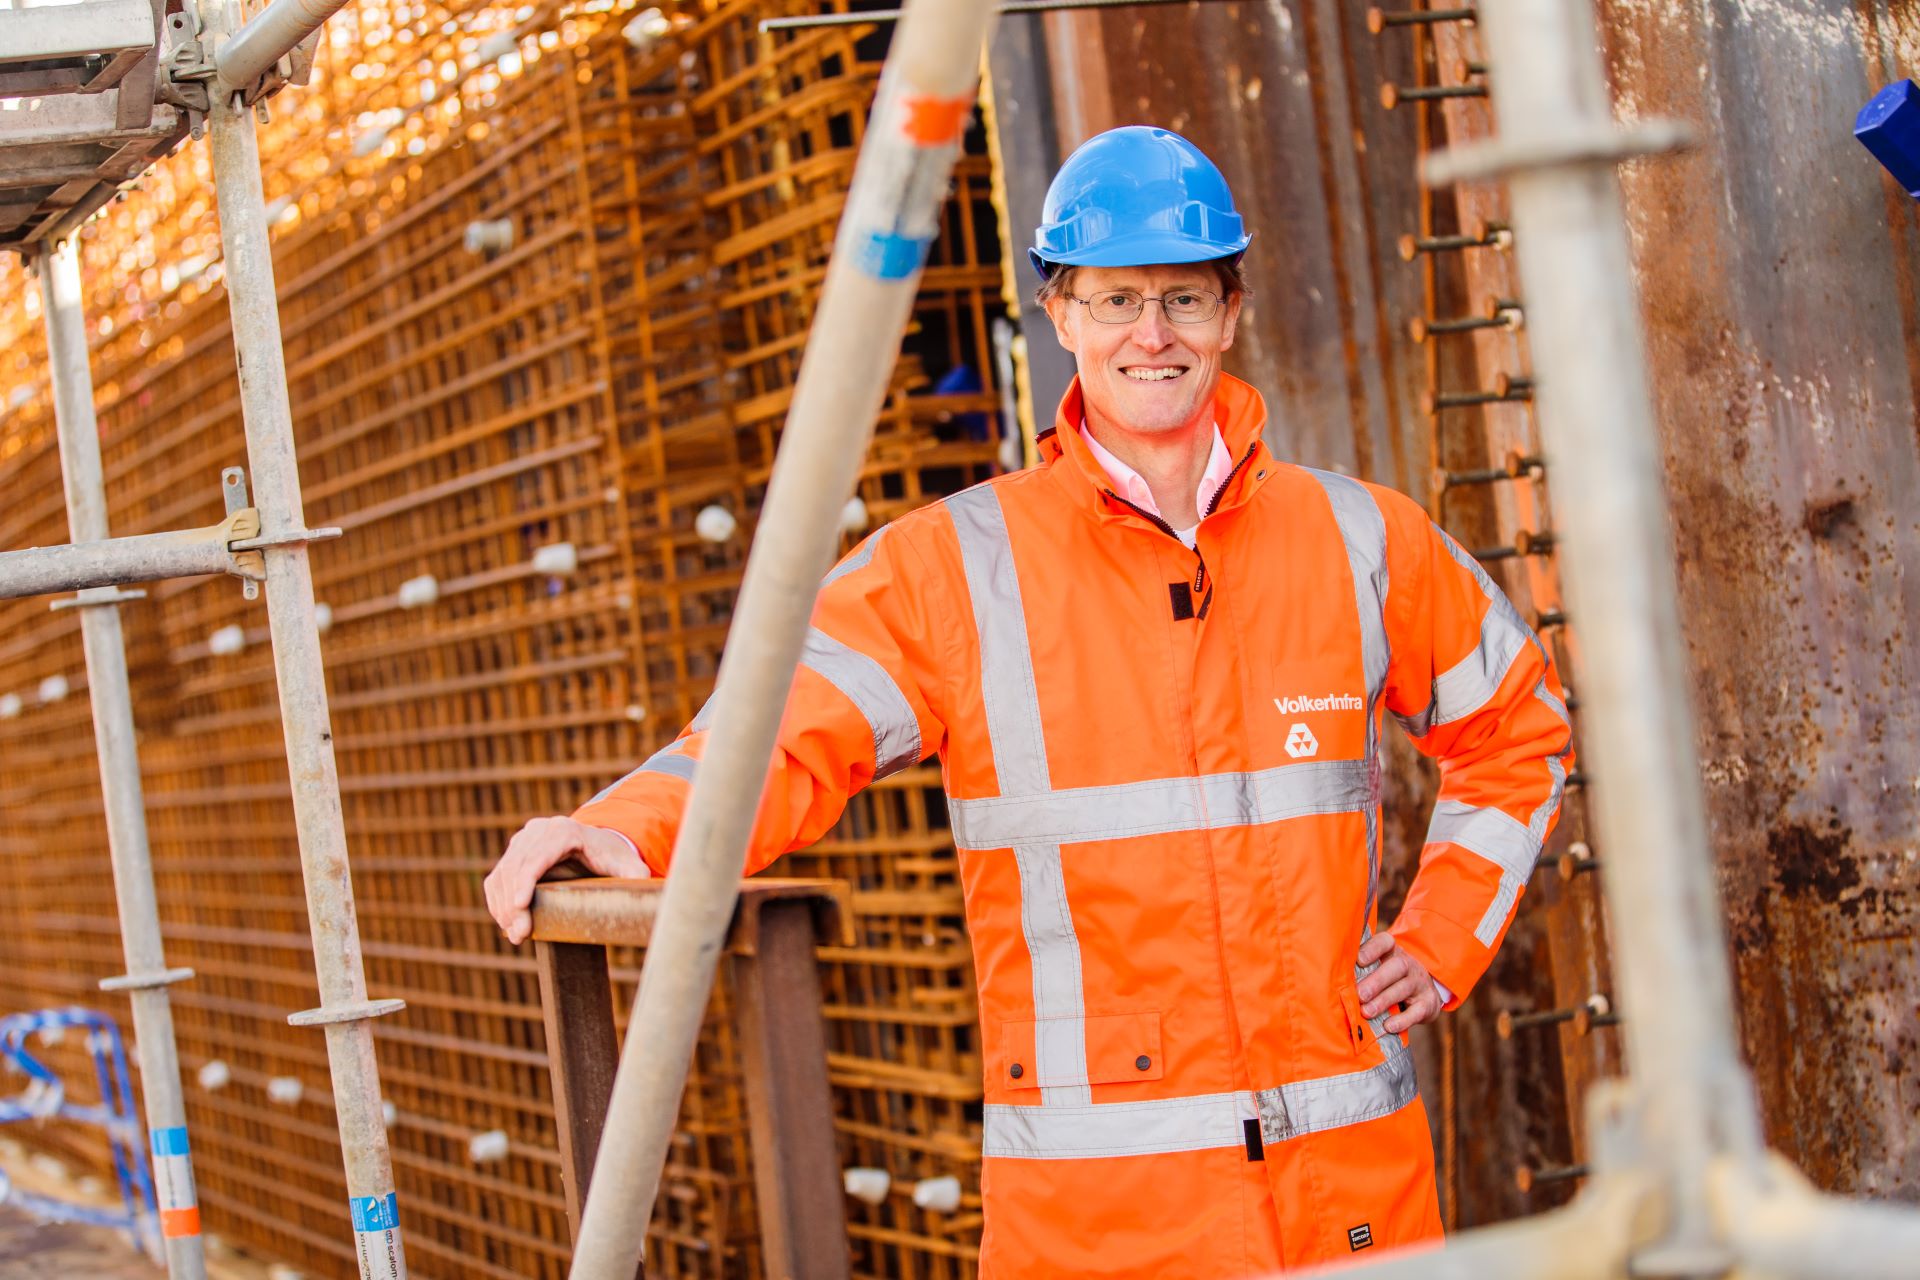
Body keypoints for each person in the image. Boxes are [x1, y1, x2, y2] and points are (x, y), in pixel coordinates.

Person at [485, 125, 1571, 1276]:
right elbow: (776, 737)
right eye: (1115, 301)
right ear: (1060, 317)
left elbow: (1519, 730)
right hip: (1104, 1228)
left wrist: (1440, 936)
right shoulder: (957, 567)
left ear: (1231, 314)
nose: (1151, 335)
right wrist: (618, 829)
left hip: (1350, 1204)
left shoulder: (1357, 537)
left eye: (1184, 300)